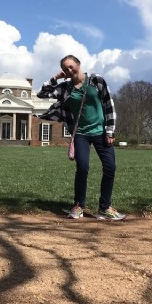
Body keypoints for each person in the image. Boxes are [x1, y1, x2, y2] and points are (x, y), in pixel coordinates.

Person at [37, 54, 126, 221]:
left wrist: (110, 131)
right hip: (80, 134)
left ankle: (105, 207)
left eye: (71, 66)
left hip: (100, 132)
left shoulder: (96, 81)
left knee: (110, 167)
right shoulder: (65, 88)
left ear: (79, 64)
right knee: (82, 168)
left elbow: (108, 104)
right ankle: (78, 206)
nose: (69, 70)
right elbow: (42, 94)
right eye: (65, 69)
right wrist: (55, 78)